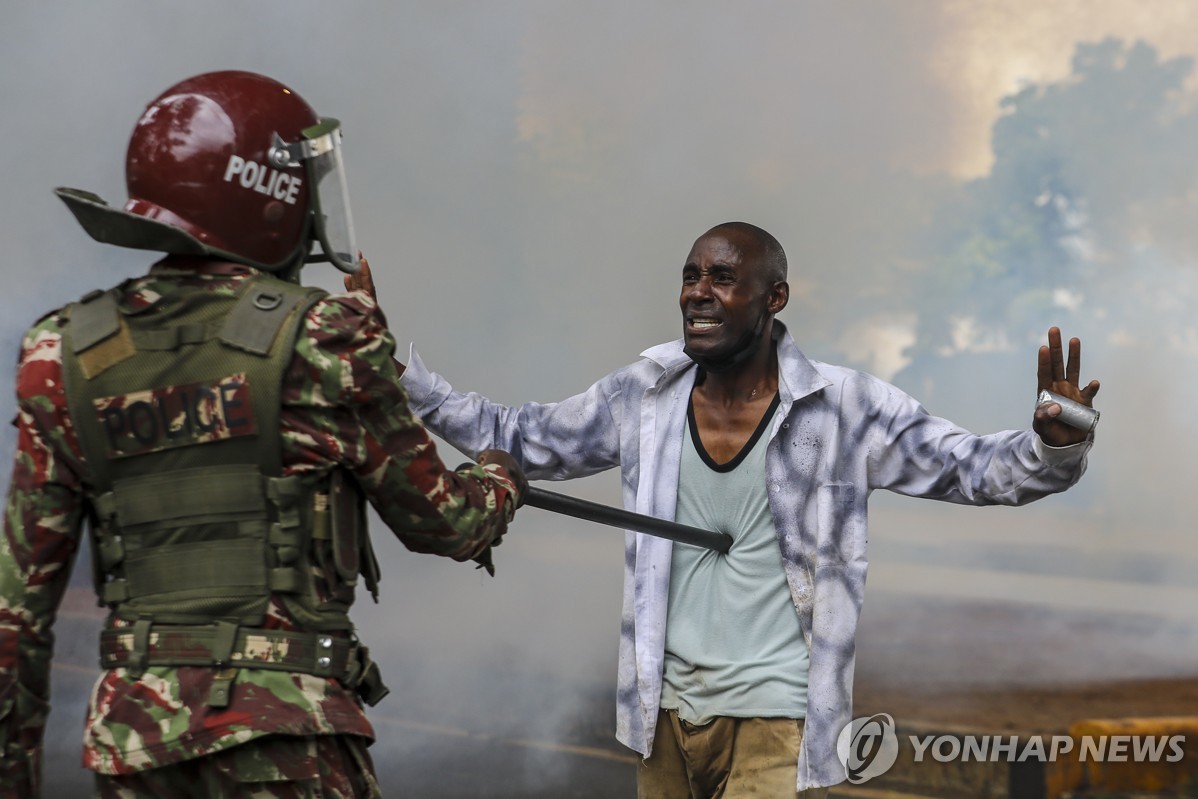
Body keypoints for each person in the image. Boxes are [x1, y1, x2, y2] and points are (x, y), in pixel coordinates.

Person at [350, 220, 1098, 797]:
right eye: (690, 276)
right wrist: (398, 376)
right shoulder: (643, 395)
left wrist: (1051, 447)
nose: (697, 291)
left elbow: (973, 469)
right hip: (663, 719)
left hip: (780, 719)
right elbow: (516, 437)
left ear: (774, 298)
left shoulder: (845, 408)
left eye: (723, 277)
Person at [0, 70, 526, 798]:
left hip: (135, 747)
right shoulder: (324, 336)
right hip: (286, 741)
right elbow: (448, 521)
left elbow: (18, 611)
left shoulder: (64, 351)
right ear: (269, 193)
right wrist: (502, 477)